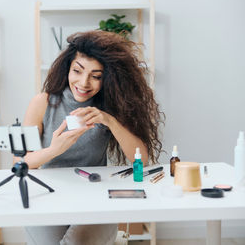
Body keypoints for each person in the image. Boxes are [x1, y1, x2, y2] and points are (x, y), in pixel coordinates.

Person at [17, 30, 164, 245]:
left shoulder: (111, 107)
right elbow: (19, 163)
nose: (84, 83)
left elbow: (140, 158)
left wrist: (110, 121)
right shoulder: (42, 103)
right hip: (49, 193)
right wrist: (54, 150)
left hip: (95, 194)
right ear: (67, 68)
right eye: (78, 71)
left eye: (96, 76)